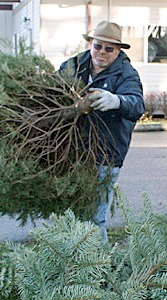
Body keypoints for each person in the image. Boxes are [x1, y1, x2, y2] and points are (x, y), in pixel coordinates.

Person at [59, 21, 146, 243]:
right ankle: (74, 263)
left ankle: (100, 270)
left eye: (109, 49)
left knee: (95, 218)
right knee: (71, 214)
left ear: (118, 51)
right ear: (90, 44)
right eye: (98, 46)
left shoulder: (125, 74)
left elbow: (137, 105)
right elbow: (53, 91)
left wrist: (117, 100)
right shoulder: (74, 65)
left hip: (106, 154)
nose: (102, 53)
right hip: (74, 152)